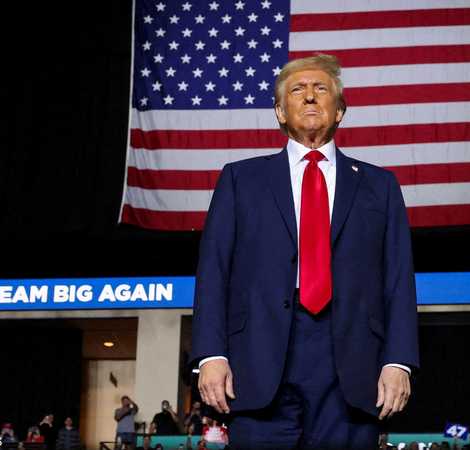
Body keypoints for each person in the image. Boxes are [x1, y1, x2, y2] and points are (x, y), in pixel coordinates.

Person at [191, 53, 419, 450]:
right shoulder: (240, 179)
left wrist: (398, 361)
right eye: (297, 89)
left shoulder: (380, 186)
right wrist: (211, 355)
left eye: (321, 88)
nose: (310, 96)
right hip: (257, 360)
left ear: (340, 110)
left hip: (351, 363)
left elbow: (398, 280)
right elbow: (214, 271)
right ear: (280, 112)